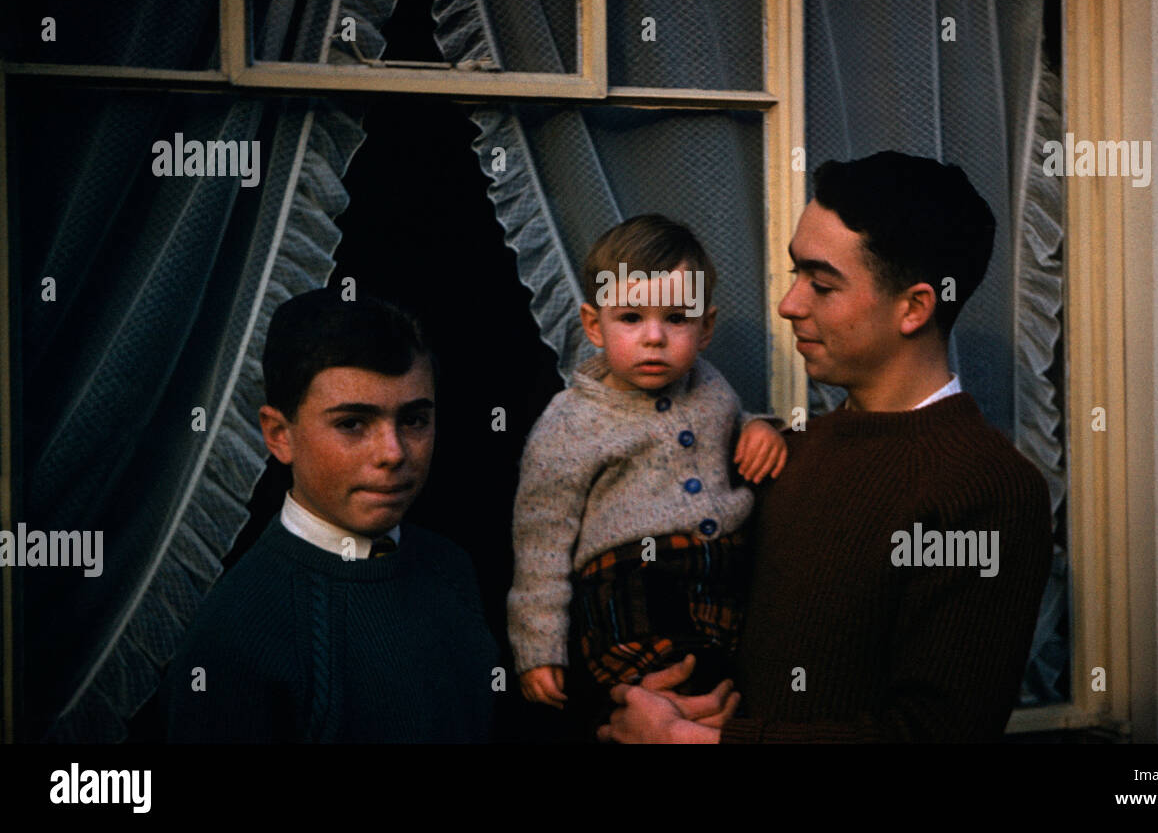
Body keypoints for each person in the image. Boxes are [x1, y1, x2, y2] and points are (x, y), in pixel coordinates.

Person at [600, 152, 1054, 743]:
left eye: (821, 284)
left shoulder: (986, 490)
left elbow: (935, 734)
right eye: (796, 276)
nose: (790, 304)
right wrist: (657, 696)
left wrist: (699, 744)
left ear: (914, 307)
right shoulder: (783, 455)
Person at [160, 289, 497, 742]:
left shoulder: (452, 567)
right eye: (352, 424)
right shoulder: (237, 636)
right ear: (280, 435)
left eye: (414, 419)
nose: (393, 453)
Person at [507, 215, 787, 722]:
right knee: (663, 697)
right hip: (630, 590)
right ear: (594, 325)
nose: (654, 337)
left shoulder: (710, 385)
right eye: (631, 318)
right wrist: (538, 645)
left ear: (706, 327)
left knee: (731, 692)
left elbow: (725, 423)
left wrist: (759, 427)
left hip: (719, 581)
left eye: (677, 319)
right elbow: (540, 543)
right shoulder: (570, 423)